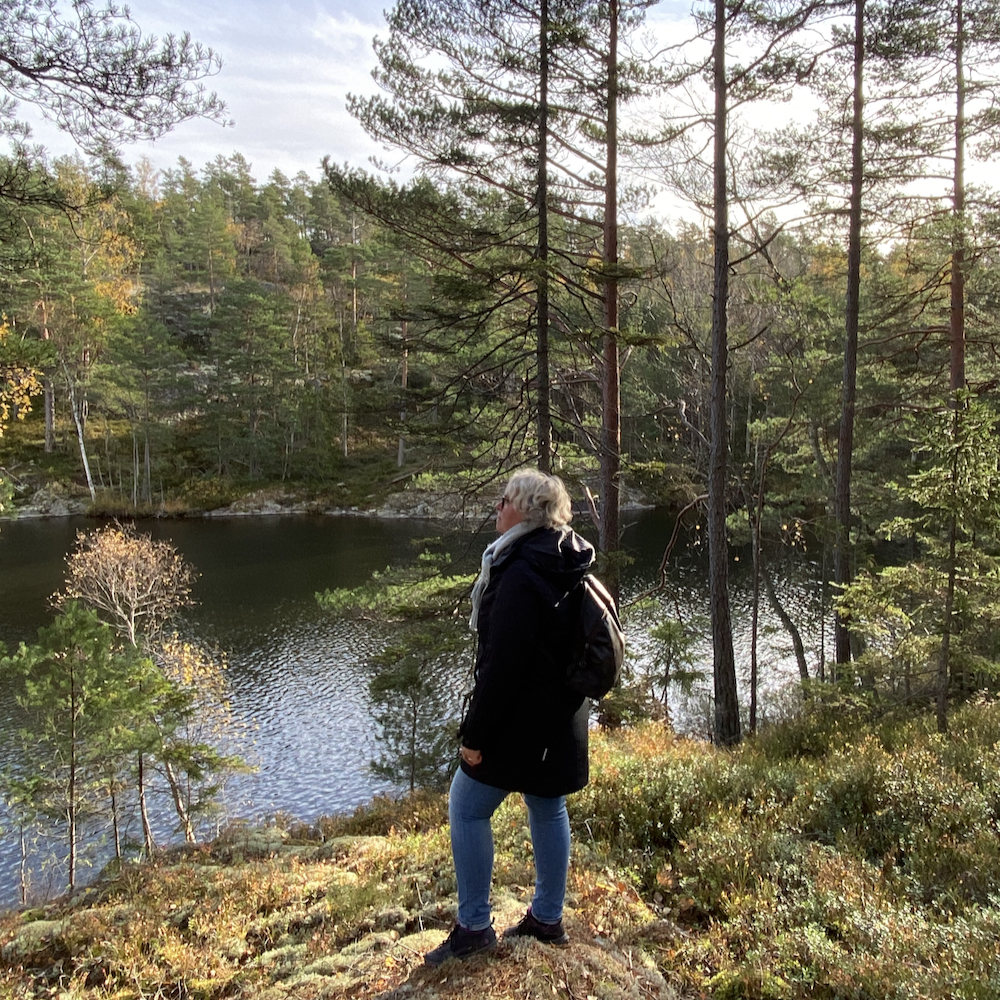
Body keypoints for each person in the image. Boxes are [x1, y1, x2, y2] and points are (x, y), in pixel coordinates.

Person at [424, 469, 596, 967]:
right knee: (548, 806)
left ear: (527, 511)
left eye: (504, 501)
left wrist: (475, 734)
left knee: (467, 805)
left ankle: (475, 927)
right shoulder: (563, 558)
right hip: (561, 716)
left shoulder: (521, 570)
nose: (496, 508)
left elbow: (504, 666)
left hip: (523, 722)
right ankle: (547, 918)